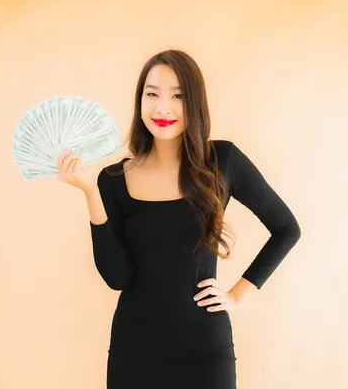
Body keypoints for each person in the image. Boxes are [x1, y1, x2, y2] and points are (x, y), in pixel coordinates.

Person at [56, 49, 301, 388]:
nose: (163, 107)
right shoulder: (111, 179)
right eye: (152, 94)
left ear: (195, 104)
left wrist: (236, 295)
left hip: (205, 352)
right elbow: (116, 277)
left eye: (177, 96)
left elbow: (286, 228)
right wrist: (89, 192)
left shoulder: (223, 160)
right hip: (135, 351)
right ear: (139, 100)